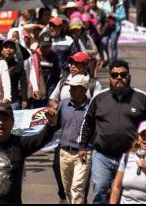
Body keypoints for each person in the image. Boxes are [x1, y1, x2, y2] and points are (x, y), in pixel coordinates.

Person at [78, 60, 146, 204]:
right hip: (102, 155)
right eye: (115, 75)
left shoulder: (141, 98)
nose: (119, 78)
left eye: (123, 74)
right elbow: (88, 122)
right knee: (100, 191)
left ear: (129, 77)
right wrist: (82, 145)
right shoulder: (99, 98)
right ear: (109, 77)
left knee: (127, 194)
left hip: (131, 157)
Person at [56, 74, 93, 205]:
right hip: (64, 153)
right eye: (70, 87)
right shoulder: (63, 104)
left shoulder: (92, 108)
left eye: (74, 87)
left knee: (77, 188)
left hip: (83, 154)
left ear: (83, 90)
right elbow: (55, 124)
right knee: (67, 190)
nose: (70, 90)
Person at [99, 0, 126, 64]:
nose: (111, 0)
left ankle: (113, 60)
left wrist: (113, 15)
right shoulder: (105, 5)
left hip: (115, 28)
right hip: (106, 28)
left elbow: (123, 16)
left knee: (113, 44)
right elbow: (101, 14)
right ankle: (107, 58)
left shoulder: (120, 6)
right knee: (104, 43)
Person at [2, 40, 27, 110]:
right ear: (2, 50)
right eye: (6, 47)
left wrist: (24, 99)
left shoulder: (18, 66)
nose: (8, 50)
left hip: (14, 101)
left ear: (15, 51)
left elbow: (23, 83)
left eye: (11, 48)